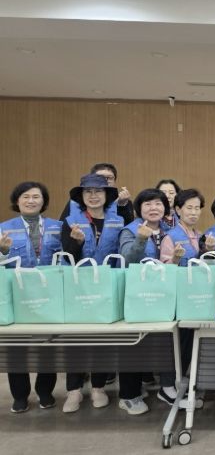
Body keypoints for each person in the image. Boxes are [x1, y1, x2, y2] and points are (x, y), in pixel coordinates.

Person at [60, 174, 124, 413]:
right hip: (79, 287)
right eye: (88, 191)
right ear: (82, 196)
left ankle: (98, 387)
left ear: (107, 195)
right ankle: (74, 390)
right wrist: (75, 243)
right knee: (75, 340)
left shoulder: (118, 220)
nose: (93, 195)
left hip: (107, 285)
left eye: (98, 191)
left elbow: (121, 254)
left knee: (103, 339)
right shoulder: (71, 220)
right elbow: (67, 256)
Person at [0, 182, 61, 413]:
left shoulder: (57, 226)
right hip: (17, 293)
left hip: (49, 292)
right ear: (17, 201)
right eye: (25, 196)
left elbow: (66, 257)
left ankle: (45, 391)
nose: (31, 201)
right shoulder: (4, 228)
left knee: (48, 345)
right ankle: (20, 395)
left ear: (43, 201)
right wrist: (2, 251)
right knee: (16, 346)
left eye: (36, 196)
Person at [115, 189, 172, 415]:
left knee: (156, 342)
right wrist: (141, 238)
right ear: (139, 208)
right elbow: (126, 259)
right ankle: (128, 395)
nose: (153, 208)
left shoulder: (168, 231)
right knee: (133, 344)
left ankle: (151, 387)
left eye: (158, 204)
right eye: (147, 204)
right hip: (136, 294)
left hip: (161, 294)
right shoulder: (130, 230)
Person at [159, 189, 215, 407]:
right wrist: (175, 258)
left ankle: (180, 382)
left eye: (197, 208)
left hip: (194, 298)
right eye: (189, 208)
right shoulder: (171, 236)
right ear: (178, 209)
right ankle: (166, 387)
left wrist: (207, 250)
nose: (193, 212)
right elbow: (164, 271)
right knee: (174, 343)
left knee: (188, 342)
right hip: (177, 298)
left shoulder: (199, 235)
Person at [60, 163, 134, 225]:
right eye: (100, 177)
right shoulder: (75, 202)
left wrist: (122, 206)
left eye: (109, 178)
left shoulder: (123, 201)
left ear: (115, 181)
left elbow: (129, 228)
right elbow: (63, 226)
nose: (105, 181)